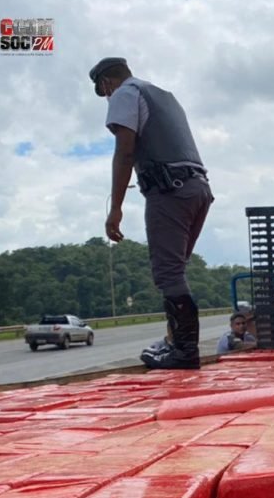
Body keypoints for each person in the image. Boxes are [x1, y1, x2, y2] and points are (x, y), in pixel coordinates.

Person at [89, 56, 214, 369]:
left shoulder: (124, 94)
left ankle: (184, 352)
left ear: (106, 83)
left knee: (168, 273)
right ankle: (174, 341)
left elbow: (126, 151)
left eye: (103, 92)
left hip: (170, 190)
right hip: (198, 189)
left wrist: (115, 209)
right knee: (176, 270)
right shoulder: (164, 96)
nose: (107, 97)